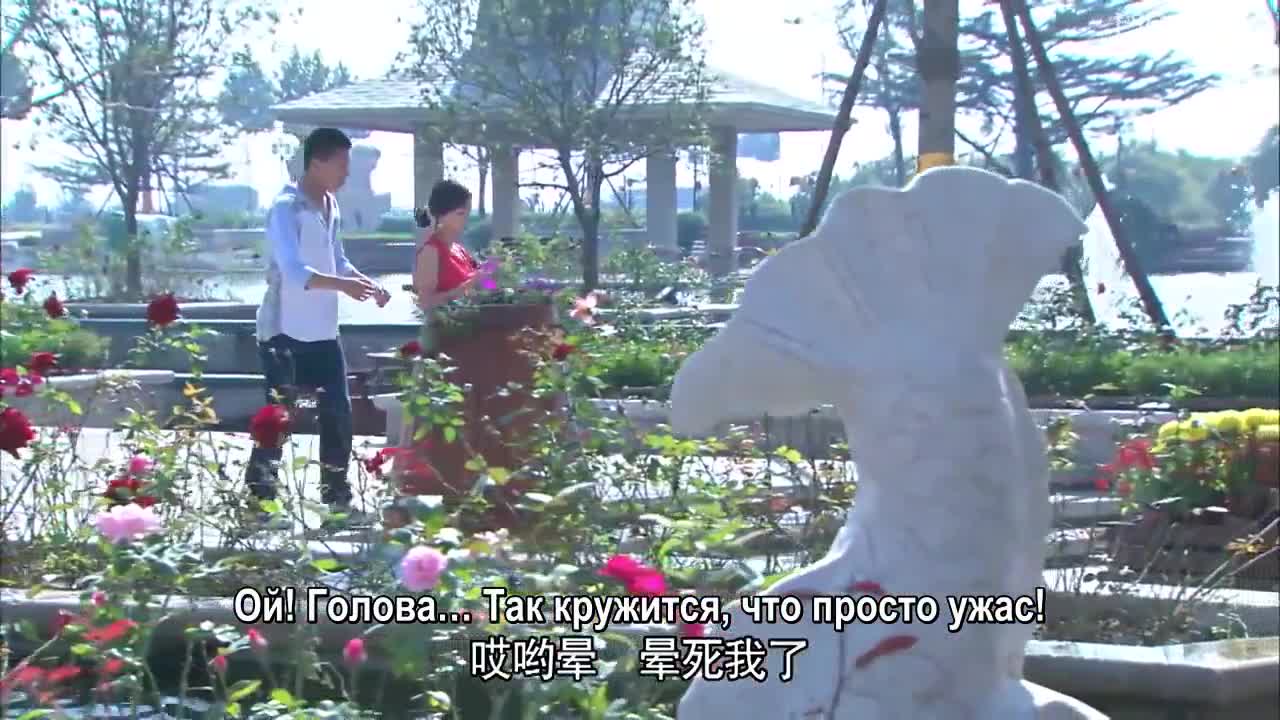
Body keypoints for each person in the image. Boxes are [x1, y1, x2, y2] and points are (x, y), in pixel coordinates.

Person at [246, 127, 391, 530]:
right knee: (278, 420)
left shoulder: (331, 205)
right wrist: (343, 285)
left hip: (324, 333)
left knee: (338, 416)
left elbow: (337, 260)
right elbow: (294, 271)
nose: (347, 173)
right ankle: (260, 505)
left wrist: (367, 284)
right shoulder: (286, 208)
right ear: (317, 162)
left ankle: (336, 502)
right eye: (342, 165)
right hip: (283, 333)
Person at [412, 179, 479, 310]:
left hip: (472, 320)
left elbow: (484, 285)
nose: (466, 219)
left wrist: (495, 271)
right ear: (441, 215)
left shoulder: (460, 250)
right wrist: (467, 287)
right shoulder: (430, 252)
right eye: (460, 213)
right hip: (446, 323)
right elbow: (425, 303)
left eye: (468, 213)